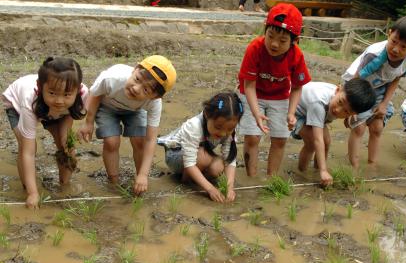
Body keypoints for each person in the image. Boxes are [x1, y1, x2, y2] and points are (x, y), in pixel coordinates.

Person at [78, 55, 176, 195]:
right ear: (135, 69)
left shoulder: (154, 104)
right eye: (137, 79)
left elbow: (150, 139)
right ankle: (113, 182)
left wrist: (143, 175)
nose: (136, 88)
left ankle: (140, 181)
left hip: (135, 110)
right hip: (107, 106)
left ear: (155, 96)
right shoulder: (113, 78)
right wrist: (88, 122)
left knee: (140, 141)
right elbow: (95, 95)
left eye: (146, 90)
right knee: (111, 141)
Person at [342, 15, 406, 169]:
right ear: (389, 33)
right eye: (394, 41)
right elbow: (356, 78)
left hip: (379, 88)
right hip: (356, 86)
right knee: (359, 127)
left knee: (377, 128)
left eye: (404, 46)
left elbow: (395, 79)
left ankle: (371, 165)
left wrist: (384, 104)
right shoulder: (374, 55)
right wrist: (351, 106)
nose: (396, 49)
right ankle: (353, 168)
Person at [1, 57, 88, 208]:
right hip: (18, 106)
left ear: (77, 90)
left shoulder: (83, 95)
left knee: (66, 145)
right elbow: (27, 153)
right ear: (41, 87)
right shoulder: (30, 101)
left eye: (67, 94)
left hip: (56, 113)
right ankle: (27, 188)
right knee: (28, 146)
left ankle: (64, 185)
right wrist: (33, 194)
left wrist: (63, 137)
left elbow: (70, 115)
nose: (59, 100)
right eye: (53, 93)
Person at [238, 3, 311, 177]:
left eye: (283, 41)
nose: (275, 44)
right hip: (252, 93)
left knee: (279, 139)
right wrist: (256, 114)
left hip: (279, 96)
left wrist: (292, 113)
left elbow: (297, 87)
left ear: (295, 41)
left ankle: (272, 179)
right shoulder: (254, 48)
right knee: (252, 137)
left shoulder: (297, 55)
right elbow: (248, 86)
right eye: (270, 36)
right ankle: (252, 177)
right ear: (265, 30)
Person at [157, 92, 244, 203]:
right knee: (203, 156)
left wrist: (229, 187)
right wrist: (210, 189)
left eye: (229, 129)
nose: (223, 133)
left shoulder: (228, 130)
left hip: (198, 155)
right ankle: (186, 181)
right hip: (175, 156)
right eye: (218, 127)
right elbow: (189, 163)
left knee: (218, 166)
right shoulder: (194, 126)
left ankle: (197, 178)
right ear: (207, 114)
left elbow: (230, 159)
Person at [291, 79, 377, 186]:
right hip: (294, 109)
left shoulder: (344, 98)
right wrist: (324, 170)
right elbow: (318, 140)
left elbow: (349, 107)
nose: (337, 110)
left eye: (346, 111)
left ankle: (317, 172)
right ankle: (301, 174)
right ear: (337, 90)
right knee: (312, 142)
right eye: (340, 102)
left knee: (326, 142)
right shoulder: (319, 103)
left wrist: (350, 114)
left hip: (312, 109)